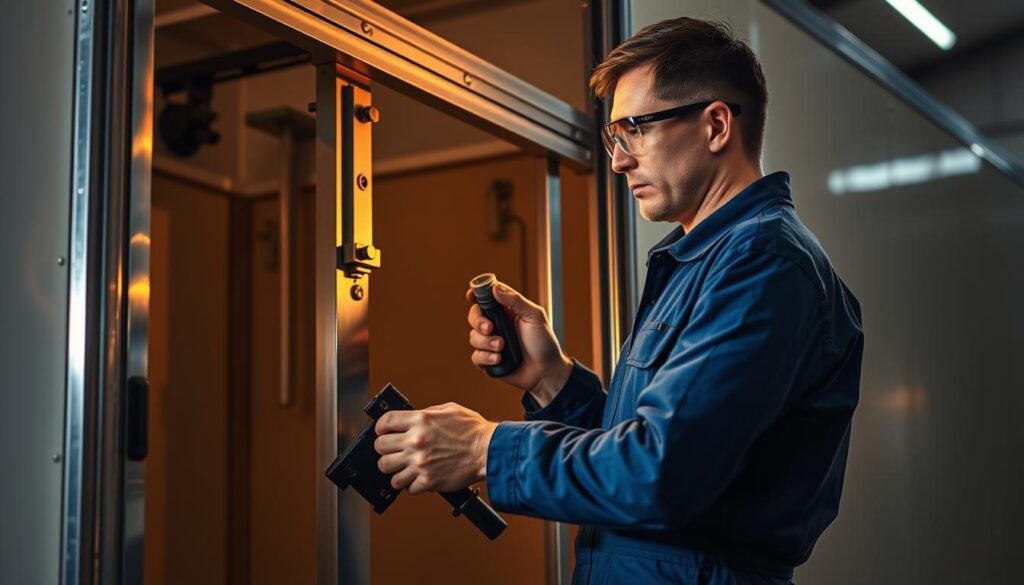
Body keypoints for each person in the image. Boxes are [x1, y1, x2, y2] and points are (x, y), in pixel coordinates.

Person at [373, 16, 864, 584]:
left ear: (716, 125)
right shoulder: (704, 260)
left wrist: (485, 449)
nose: (618, 160)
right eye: (615, 137)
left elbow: (660, 474)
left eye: (636, 129)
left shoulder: (761, 265)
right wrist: (549, 378)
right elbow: (639, 448)